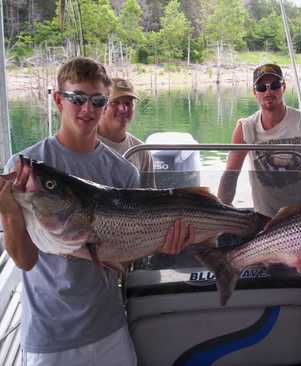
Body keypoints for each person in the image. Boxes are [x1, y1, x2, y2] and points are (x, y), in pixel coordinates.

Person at [0, 57, 192, 366]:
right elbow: (24, 259)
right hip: (51, 334)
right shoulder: (27, 167)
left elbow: (127, 257)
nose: (87, 109)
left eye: (97, 101)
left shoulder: (124, 172)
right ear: (58, 100)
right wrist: (9, 214)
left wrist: (162, 242)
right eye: (77, 99)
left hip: (108, 326)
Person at [217, 63, 301, 217]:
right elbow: (231, 173)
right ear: (254, 92)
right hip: (263, 218)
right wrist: (222, 209)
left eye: (274, 85)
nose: (268, 91)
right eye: (261, 87)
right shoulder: (245, 127)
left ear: (283, 87)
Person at [97, 77, 155, 188]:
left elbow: (151, 198)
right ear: (101, 105)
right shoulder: (84, 145)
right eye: (115, 103)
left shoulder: (142, 151)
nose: (123, 109)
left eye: (128, 103)